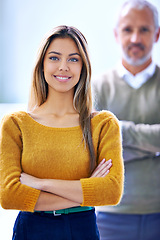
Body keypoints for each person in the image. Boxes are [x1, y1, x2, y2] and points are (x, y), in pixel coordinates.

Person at [0, 25, 124, 240]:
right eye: (55, 58)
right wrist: (86, 191)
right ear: (42, 64)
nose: (64, 67)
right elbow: (10, 195)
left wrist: (41, 183)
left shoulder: (103, 124)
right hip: (31, 229)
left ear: (83, 67)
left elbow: (111, 192)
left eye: (73, 59)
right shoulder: (15, 124)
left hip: (81, 229)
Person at [92, 1, 160, 240]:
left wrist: (117, 133)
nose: (135, 38)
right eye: (127, 29)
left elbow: (107, 145)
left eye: (144, 29)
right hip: (109, 215)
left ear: (157, 34)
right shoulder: (96, 87)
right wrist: (153, 149)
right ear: (116, 34)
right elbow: (92, 150)